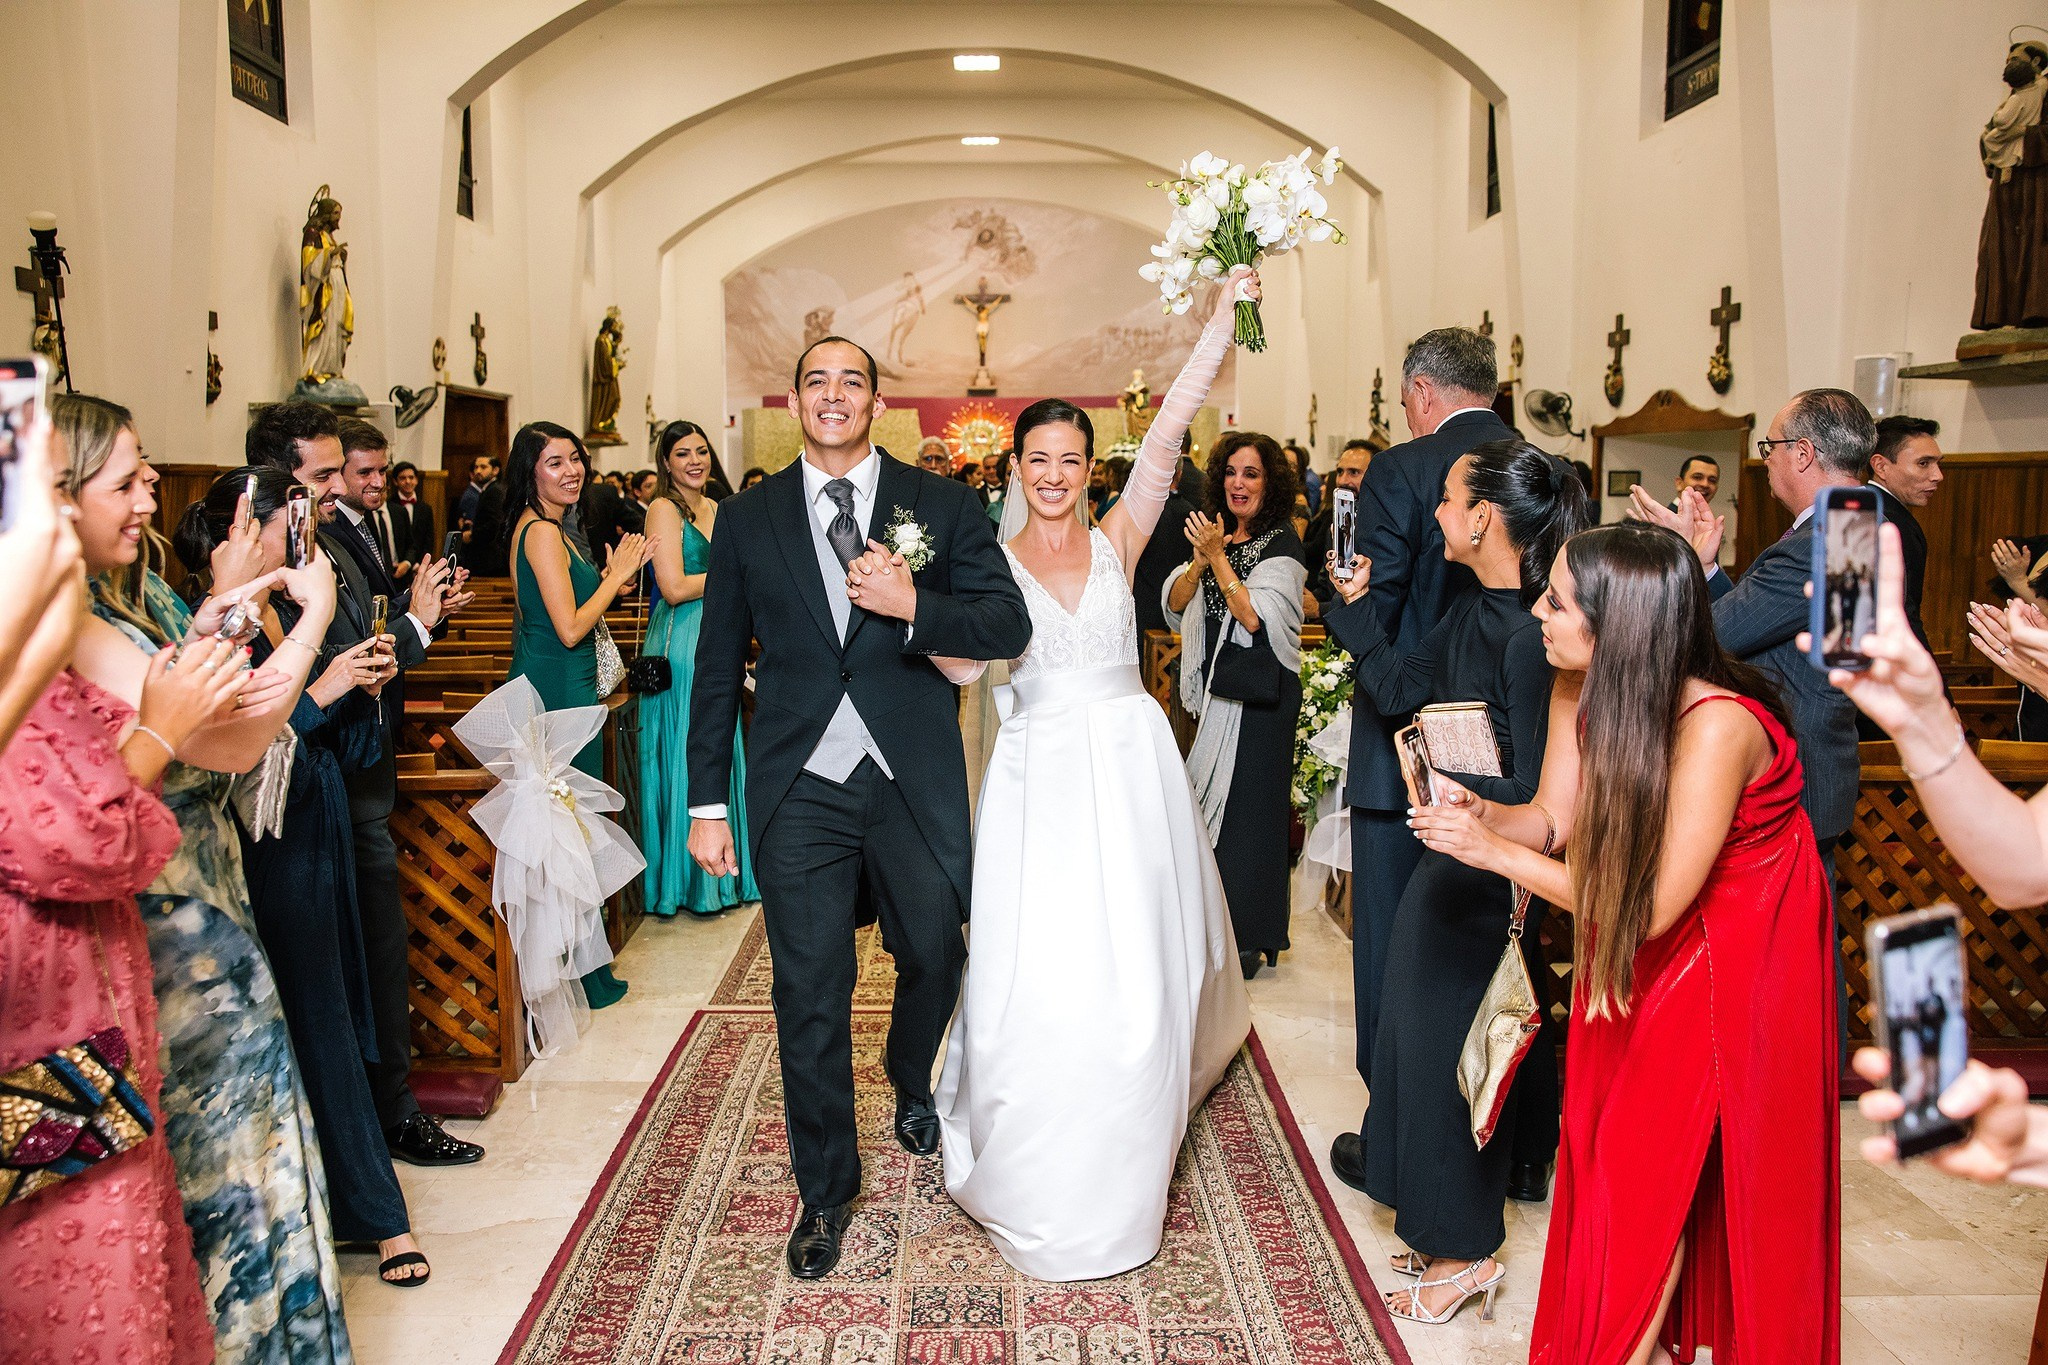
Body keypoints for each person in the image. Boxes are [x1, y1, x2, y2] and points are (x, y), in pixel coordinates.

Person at [1410, 520, 1840, 1362]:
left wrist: (1491, 855)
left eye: (1559, 600)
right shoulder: (1578, 680)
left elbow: (1649, 907)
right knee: (1611, 1166)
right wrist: (1484, 814)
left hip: (1740, 962)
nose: (1537, 607)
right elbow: (1555, 820)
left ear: (1620, 626)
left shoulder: (1718, 724)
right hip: (1645, 942)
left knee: (1655, 1182)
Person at [932, 270, 1256, 1282]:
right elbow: (962, 669)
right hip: (1038, 785)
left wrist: (1215, 323)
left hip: (1127, 775)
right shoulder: (986, 569)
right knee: (1045, 970)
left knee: (1139, 971)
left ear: (1087, 469)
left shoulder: (1121, 540)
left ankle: (1127, 1143)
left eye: (1072, 460)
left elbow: (1169, 425)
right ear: (1013, 467)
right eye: (1039, 459)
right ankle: (1041, 1148)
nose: (1056, 475)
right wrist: (910, 606)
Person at [685, 333, 1030, 1281]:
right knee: (809, 989)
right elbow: (716, 668)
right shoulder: (748, 519)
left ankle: (908, 1070)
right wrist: (706, 802)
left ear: (879, 401)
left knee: (937, 951)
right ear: (796, 400)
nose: (833, 395)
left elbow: (1007, 621)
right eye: (815, 381)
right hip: (799, 782)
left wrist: (911, 600)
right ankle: (825, 1190)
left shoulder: (942, 503)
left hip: (908, 774)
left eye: (851, 381)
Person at [62, 396, 355, 1357]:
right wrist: (270, 616)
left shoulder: (130, 601)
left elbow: (229, 734)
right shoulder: (69, 625)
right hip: (154, 909)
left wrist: (270, 614)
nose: (155, 492)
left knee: (254, 1123)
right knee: (211, 1145)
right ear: (60, 498)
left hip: (206, 889)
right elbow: (204, 737)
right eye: (131, 477)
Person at [1321, 440, 1586, 1324]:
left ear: (1482, 518)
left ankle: (1467, 1251)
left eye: (1446, 499)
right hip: (1449, 851)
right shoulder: (1473, 611)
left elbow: (1545, 795)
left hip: (1490, 868)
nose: (1433, 511)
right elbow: (1398, 686)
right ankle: (1434, 1229)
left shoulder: (1528, 637)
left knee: (1457, 1059)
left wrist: (1454, 784)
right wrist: (1351, 608)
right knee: (1413, 1040)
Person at [250, 404, 484, 1172]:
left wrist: (416, 626)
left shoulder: (332, 552)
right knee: (349, 977)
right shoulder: (264, 572)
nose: (334, 493)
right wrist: (389, 645)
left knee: (378, 962)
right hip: (323, 790)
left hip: (358, 781)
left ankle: (388, 1111)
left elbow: (366, 650)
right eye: (320, 478)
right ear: (280, 482)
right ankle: (374, 1124)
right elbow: (297, 693)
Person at [0, 624, 238, 1362]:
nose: (143, 501)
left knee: (132, 1257)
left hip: (97, 996)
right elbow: (83, 841)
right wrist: (161, 731)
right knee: (82, 1286)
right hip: (44, 1013)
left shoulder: (47, 648)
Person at [1329, 328, 1514, 1176]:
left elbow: (1377, 597)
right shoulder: (1547, 467)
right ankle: (1509, 1141)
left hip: (1409, 743)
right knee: (1504, 944)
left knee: (1399, 951)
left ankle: (1398, 1138)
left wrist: (1347, 610)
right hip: (1518, 750)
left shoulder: (1401, 471)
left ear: (1422, 393)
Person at [503, 421, 653, 1007]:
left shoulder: (552, 530)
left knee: (572, 828)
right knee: (567, 826)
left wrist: (613, 580)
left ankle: (584, 963)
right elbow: (568, 628)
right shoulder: (540, 533)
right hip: (557, 688)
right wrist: (615, 579)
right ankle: (575, 972)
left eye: (577, 460)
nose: (572, 471)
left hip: (565, 682)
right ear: (530, 471)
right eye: (556, 462)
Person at [1163, 431, 1306, 979]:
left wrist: (1218, 558)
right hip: (1222, 691)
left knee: (1253, 816)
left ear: (1269, 483)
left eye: (1251, 474)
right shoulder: (1213, 538)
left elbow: (1255, 619)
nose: (1238, 484)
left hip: (1265, 698)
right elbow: (1176, 607)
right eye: (1230, 472)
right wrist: (1201, 561)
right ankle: (1213, 925)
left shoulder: (1282, 543)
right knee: (1211, 814)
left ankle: (1252, 935)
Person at [640, 420, 757, 918]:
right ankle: (685, 883)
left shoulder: (719, 507)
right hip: (684, 638)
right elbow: (672, 586)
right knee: (693, 741)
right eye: (683, 452)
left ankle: (727, 874)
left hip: (721, 630)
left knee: (723, 744)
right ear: (665, 462)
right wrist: (736, 575)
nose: (695, 460)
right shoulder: (663, 509)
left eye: (702, 451)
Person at [1130, 433, 1199, 648]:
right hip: (1178, 607)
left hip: (1141, 605)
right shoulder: (1192, 514)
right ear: (1178, 473)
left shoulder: (1136, 512)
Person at [1304, 438, 1375, 604]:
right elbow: (1326, 585)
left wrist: (1320, 610)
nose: (1343, 480)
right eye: (1340, 472)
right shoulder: (1337, 522)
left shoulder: (1384, 527)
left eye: (1354, 472)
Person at [387, 459, 437, 584]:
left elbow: (428, 539)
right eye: (402, 478)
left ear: (416, 480)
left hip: (420, 567)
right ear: (395, 481)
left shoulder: (425, 508)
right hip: (397, 566)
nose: (408, 481)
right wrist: (408, 563)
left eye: (411, 477)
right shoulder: (388, 507)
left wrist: (420, 565)